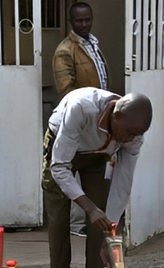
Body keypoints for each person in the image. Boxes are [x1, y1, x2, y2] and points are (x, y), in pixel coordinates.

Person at [42, 88, 152, 268]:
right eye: (129, 132)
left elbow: (123, 184)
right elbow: (59, 167)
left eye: (138, 135)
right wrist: (88, 207)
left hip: (98, 155)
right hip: (62, 147)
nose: (132, 139)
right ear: (116, 115)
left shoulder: (133, 135)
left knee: (100, 227)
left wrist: (109, 230)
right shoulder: (81, 108)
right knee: (59, 221)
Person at [52, 1, 110, 238]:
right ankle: (77, 225)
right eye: (79, 21)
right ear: (71, 22)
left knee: (94, 179)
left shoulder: (93, 44)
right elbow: (67, 92)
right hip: (81, 121)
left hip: (98, 121)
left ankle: (88, 223)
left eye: (87, 20)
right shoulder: (65, 51)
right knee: (70, 172)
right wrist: (88, 112)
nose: (84, 24)